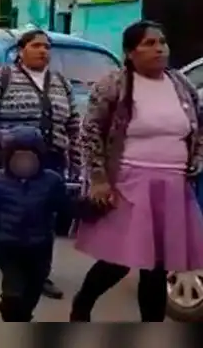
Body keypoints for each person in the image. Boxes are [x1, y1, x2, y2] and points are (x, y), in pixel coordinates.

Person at [70, 21, 203, 321]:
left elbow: (200, 124)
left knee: (157, 265)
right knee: (119, 260)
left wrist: (196, 158)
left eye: (162, 42)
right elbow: (91, 132)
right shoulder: (114, 85)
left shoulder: (181, 84)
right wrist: (99, 180)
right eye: (149, 44)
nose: (159, 49)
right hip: (129, 183)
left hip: (173, 185)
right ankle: (83, 304)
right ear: (131, 52)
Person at [0, 28, 80, 300]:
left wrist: (76, 159)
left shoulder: (60, 83)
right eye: (36, 46)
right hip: (11, 158)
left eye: (47, 47)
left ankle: (40, 273)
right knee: (5, 210)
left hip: (50, 159)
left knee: (45, 217)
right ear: (21, 51)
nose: (43, 51)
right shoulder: (2, 77)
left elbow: (73, 123)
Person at [0, 125, 70, 322]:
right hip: (8, 247)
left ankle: (23, 316)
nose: (24, 164)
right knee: (13, 293)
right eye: (19, 158)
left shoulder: (52, 181)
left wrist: (84, 209)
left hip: (40, 247)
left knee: (33, 289)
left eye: (30, 159)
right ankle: (10, 312)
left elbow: (65, 206)